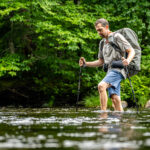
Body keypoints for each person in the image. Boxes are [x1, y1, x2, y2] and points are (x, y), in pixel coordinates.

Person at [79, 18, 135, 112]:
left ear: (107, 27)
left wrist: (128, 60)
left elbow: (131, 50)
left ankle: (103, 114)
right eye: (97, 31)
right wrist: (86, 64)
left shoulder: (117, 37)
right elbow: (101, 61)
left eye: (100, 30)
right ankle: (120, 120)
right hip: (110, 71)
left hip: (118, 70)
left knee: (101, 86)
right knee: (115, 99)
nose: (99, 32)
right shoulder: (102, 43)